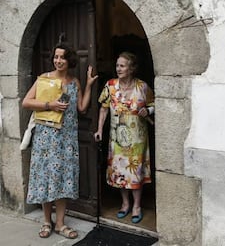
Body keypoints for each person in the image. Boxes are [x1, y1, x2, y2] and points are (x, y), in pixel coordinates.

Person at [22, 42, 98, 239]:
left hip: (67, 140)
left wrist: (89, 85)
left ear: (69, 60)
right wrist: (50, 104)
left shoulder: (74, 83)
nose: (58, 61)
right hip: (46, 139)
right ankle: (47, 221)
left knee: (63, 180)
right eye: (56, 57)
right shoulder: (44, 79)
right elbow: (26, 102)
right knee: (45, 179)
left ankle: (61, 224)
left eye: (62, 57)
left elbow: (81, 108)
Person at [94, 52, 154, 224]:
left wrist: (148, 111)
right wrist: (99, 129)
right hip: (117, 140)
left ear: (131, 68)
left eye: (122, 66)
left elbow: (154, 102)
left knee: (135, 172)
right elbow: (104, 108)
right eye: (117, 65)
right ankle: (125, 204)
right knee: (120, 173)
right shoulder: (110, 86)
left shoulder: (142, 87)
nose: (118, 68)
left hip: (137, 140)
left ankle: (137, 206)